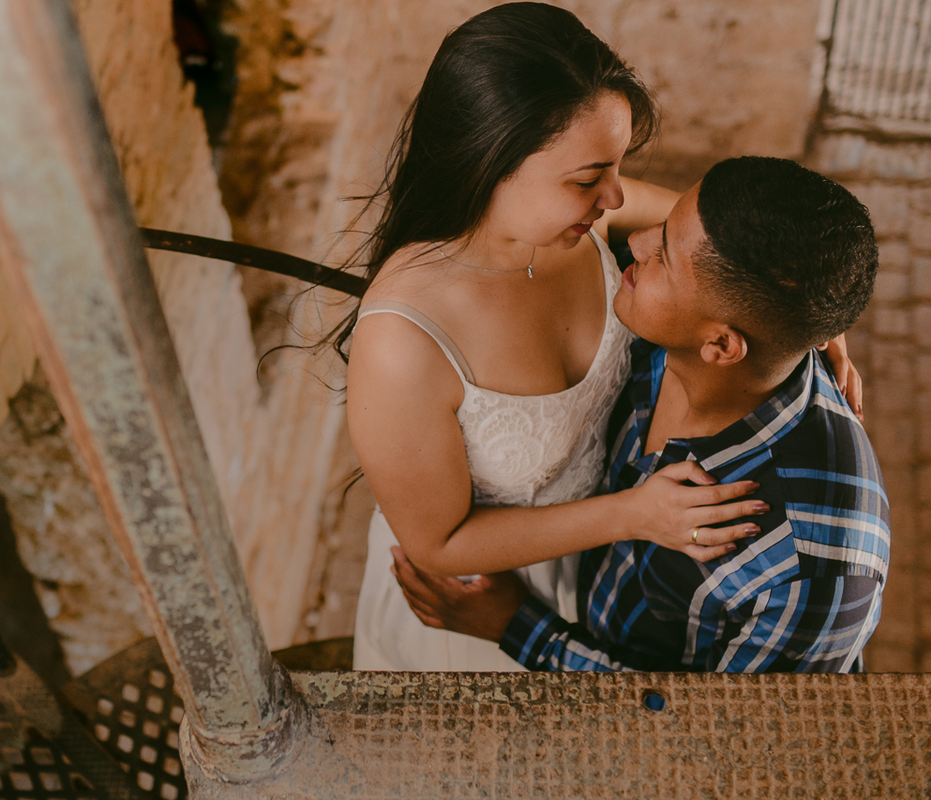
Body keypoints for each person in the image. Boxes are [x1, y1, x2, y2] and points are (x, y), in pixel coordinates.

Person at [344, 2, 861, 672]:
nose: (618, 199)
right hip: (477, 603)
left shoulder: (587, 221)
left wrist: (811, 320)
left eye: (617, 166)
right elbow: (440, 543)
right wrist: (634, 516)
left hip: (600, 582)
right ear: (491, 163)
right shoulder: (402, 343)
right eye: (590, 178)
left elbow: (727, 258)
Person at [391, 156, 886, 673]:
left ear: (720, 344)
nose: (638, 238)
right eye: (667, 225)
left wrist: (517, 626)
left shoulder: (815, 569)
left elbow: (719, 739)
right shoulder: (686, 331)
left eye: (665, 256)